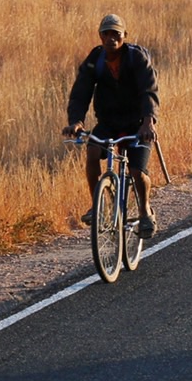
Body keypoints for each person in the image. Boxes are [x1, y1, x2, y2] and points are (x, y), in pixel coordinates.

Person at [63, 13, 160, 238]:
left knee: (137, 171)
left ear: (124, 36)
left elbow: (149, 91)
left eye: (116, 33)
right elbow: (80, 93)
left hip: (137, 124)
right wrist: (75, 122)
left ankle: (145, 211)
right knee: (92, 151)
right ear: (100, 36)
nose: (110, 38)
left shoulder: (136, 58)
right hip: (107, 122)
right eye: (106, 33)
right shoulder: (94, 60)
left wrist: (148, 122)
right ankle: (98, 204)